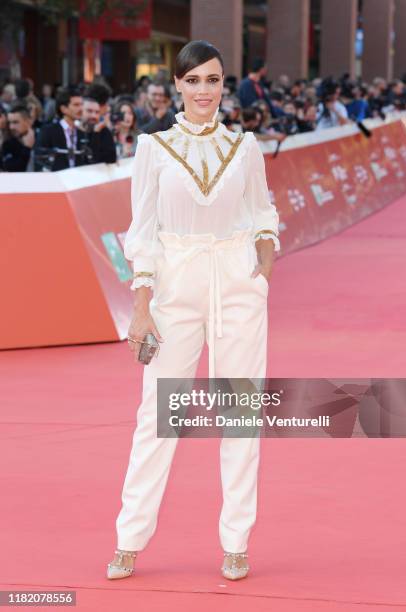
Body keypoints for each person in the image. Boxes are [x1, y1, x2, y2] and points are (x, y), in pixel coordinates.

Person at [107, 39, 280, 582]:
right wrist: (141, 304)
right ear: (176, 85)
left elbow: (261, 209)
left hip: (237, 286)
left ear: (224, 85)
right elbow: (143, 231)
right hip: (175, 288)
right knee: (159, 418)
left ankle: (236, 541)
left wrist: (266, 254)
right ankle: (129, 539)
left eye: (213, 80)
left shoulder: (245, 145)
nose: (204, 90)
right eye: (194, 80)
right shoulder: (153, 148)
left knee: (241, 415)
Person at [37, 86, 88, 171]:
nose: (81, 108)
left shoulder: (82, 132)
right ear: (63, 109)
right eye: (76, 105)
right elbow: (40, 161)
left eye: (81, 104)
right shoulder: (48, 131)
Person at [80, 96, 116, 164]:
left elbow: (111, 159)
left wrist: (96, 133)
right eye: (89, 111)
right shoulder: (74, 131)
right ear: (80, 112)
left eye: (97, 112)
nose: (94, 116)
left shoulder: (104, 131)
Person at [0, 102, 36, 172]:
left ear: (28, 121)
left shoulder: (42, 136)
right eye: (9, 123)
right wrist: (27, 148)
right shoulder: (8, 144)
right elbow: (11, 169)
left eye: (15, 122)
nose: (11, 127)